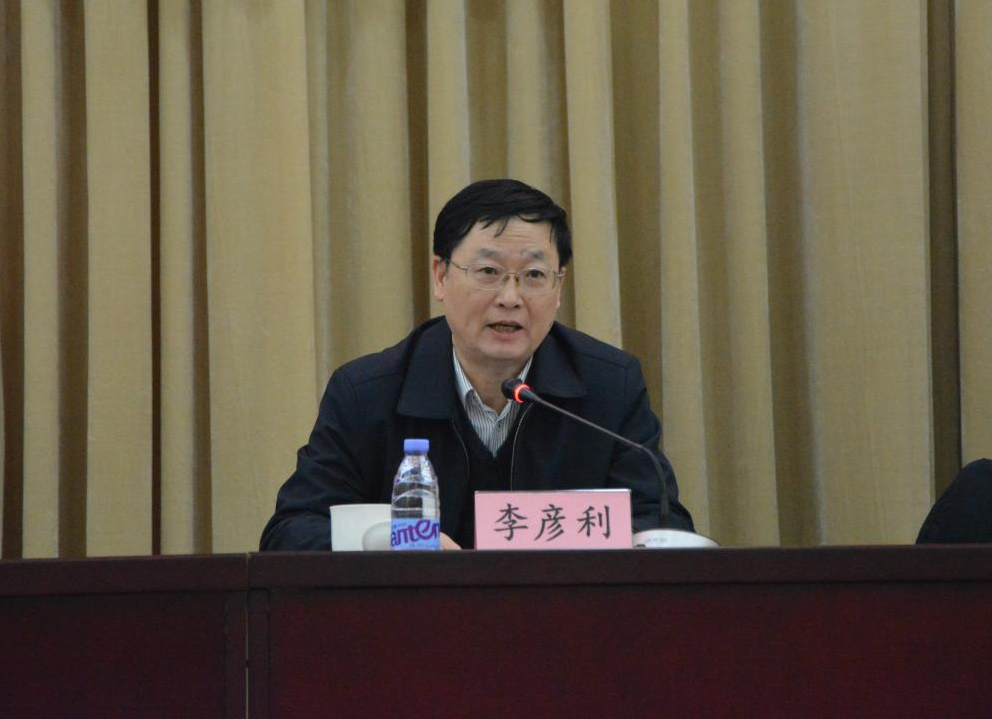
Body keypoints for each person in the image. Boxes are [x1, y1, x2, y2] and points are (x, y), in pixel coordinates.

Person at [260, 179, 694, 550]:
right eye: (488, 271)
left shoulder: (610, 386)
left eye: (534, 275)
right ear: (441, 276)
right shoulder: (366, 393)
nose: (510, 297)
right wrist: (401, 540)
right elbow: (291, 532)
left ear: (559, 288)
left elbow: (661, 524)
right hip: (418, 616)